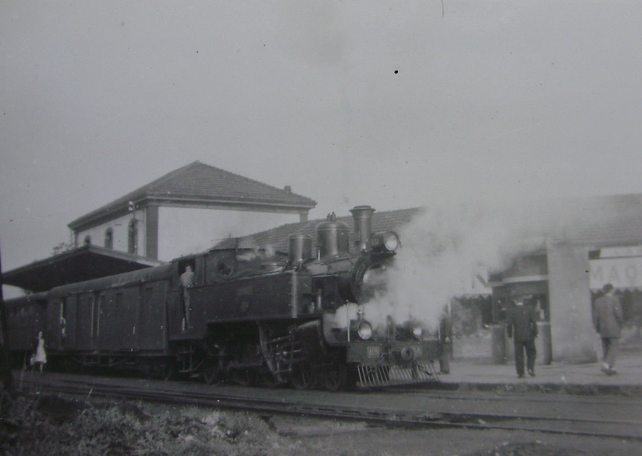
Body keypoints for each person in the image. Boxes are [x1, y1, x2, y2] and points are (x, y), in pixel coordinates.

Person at [593, 283, 623, 375]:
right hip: (613, 327)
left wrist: (597, 328)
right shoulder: (615, 300)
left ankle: (610, 368)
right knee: (614, 346)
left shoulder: (598, 301)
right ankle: (606, 365)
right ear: (611, 290)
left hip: (602, 328)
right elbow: (619, 315)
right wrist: (620, 324)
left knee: (606, 347)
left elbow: (595, 317)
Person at [506, 294, 538, 378]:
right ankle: (530, 368)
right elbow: (534, 322)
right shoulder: (529, 309)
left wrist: (509, 334)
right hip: (529, 335)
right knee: (531, 352)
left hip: (518, 336)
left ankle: (521, 373)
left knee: (519, 355)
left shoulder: (512, 310)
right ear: (523, 301)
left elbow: (509, 324)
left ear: (515, 301)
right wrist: (536, 332)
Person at [180, 265, 195, 329]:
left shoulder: (182, 276)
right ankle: (191, 325)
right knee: (192, 308)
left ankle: (188, 325)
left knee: (187, 309)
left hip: (185, 292)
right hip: (192, 291)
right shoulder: (192, 274)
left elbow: (179, 285)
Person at [439, 306, 452, 374]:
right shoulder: (442, 318)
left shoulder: (445, 318)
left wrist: (447, 336)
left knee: (444, 354)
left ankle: (445, 370)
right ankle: (442, 369)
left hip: (444, 338)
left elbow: (447, 328)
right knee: (441, 354)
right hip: (441, 339)